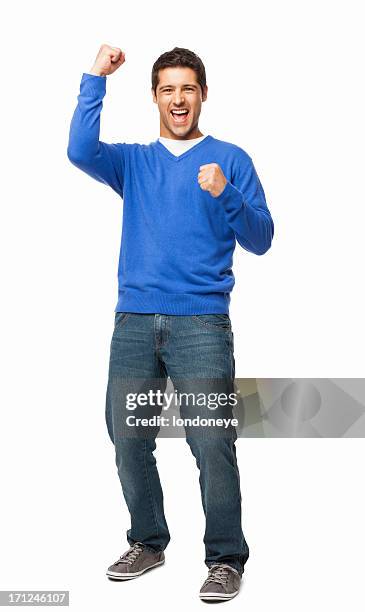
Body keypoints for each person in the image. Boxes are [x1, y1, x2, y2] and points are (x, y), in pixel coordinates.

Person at [67, 44, 274, 602]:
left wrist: (225, 194)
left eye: (187, 88)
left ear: (202, 94)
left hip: (202, 324)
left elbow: (261, 238)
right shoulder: (132, 162)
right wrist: (94, 78)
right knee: (126, 436)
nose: (178, 99)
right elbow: (79, 149)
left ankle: (226, 558)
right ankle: (149, 541)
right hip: (133, 321)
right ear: (155, 96)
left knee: (211, 442)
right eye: (167, 89)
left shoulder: (230, 159)